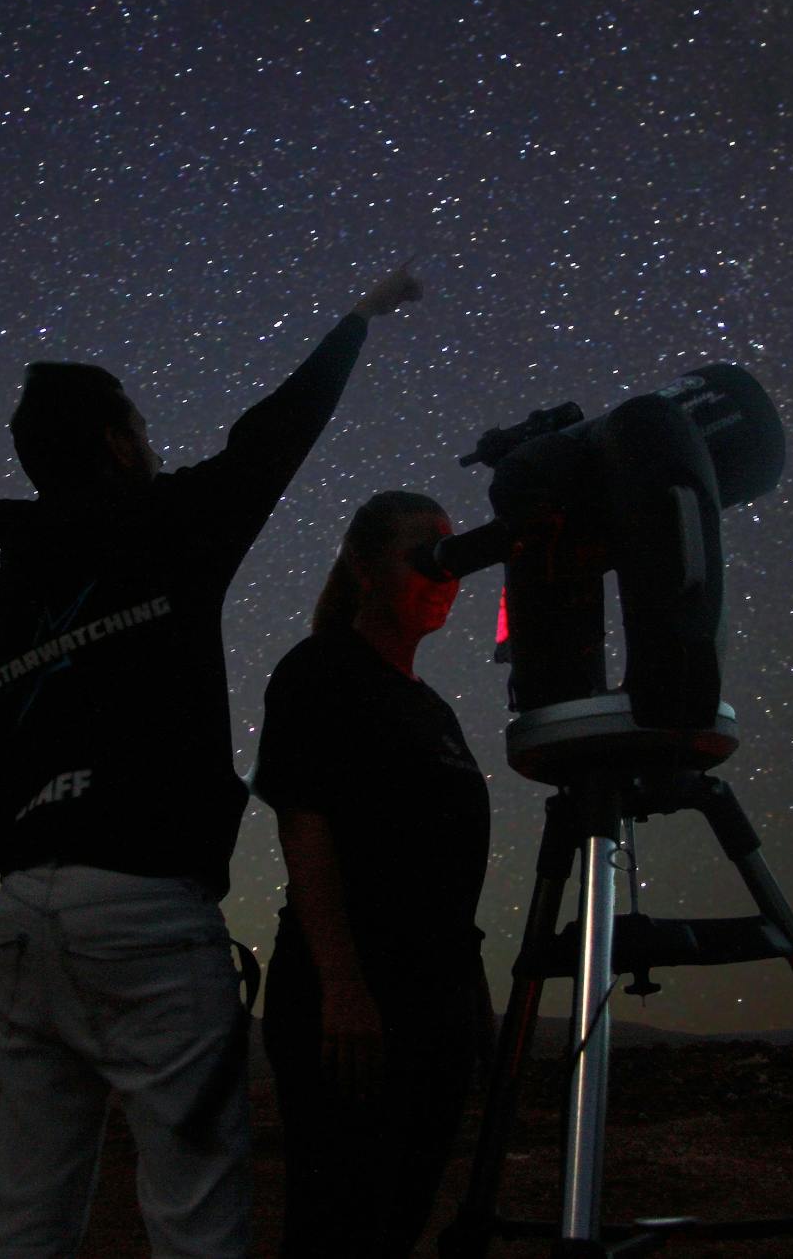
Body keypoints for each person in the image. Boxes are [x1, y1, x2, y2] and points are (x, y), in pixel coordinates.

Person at [0, 261, 424, 1258]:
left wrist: (46, 839)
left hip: (23, 918)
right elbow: (271, 440)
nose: (152, 446)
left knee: (31, 1210)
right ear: (117, 442)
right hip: (147, 911)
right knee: (193, 1209)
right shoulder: (169, 524)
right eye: (142, 431)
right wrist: (354, 320)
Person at [251, 490, 493, 1259]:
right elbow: (307, 824)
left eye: (452, 551)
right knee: (338, 1223)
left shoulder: (434, 710)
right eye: (423, 550)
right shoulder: (320, 670)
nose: (445, 567)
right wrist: (343, 985)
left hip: (436, 994)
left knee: (396, 1220)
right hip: (357, 1002)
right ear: (362, 565)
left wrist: (469, 997)